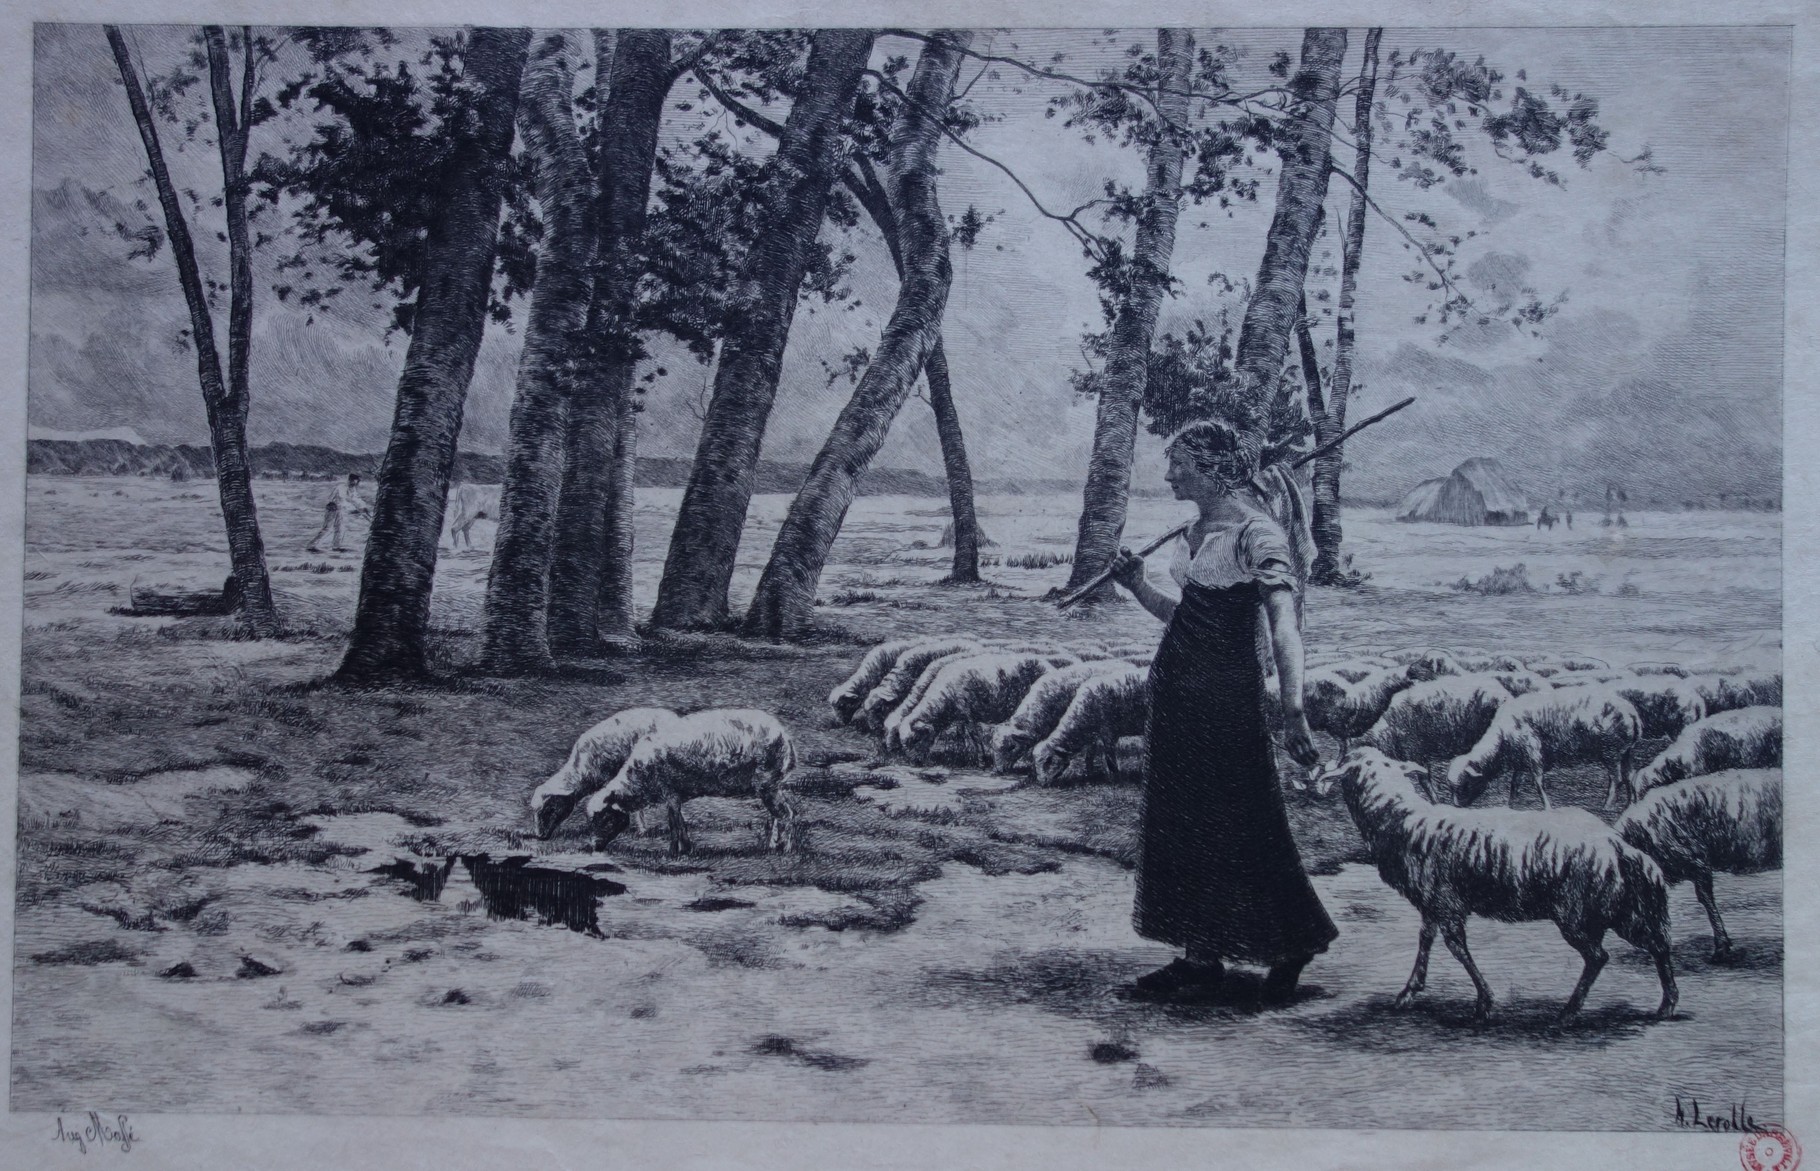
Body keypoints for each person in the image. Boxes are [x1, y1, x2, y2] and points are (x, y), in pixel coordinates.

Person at [1106, 421, 1337, 1006]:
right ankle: (1200, 955)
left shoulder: (1257, 535)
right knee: (1182, 823)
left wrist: (1293, 709)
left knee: (1240, 821)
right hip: (1178, 697)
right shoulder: (1192, 532)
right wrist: (1137, 586)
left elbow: (1284, 626)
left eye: (1179, 463)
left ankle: (1291, 943)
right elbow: (1186, 617)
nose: (1169, 474)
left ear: (1212, 467)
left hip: (1224, 698)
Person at [308, 472, 371, 553]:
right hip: (332, 508)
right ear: (350, 480)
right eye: (354, 481)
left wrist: (363, 507)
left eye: (357, 482)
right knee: (327, 528)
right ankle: (312, 545)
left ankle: (336, 546)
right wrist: (354, 509)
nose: (355, 483)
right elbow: (341, 499)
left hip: (340, 509)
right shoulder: (341, 487)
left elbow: (355, 499)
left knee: (340, 528)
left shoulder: (352, 488)